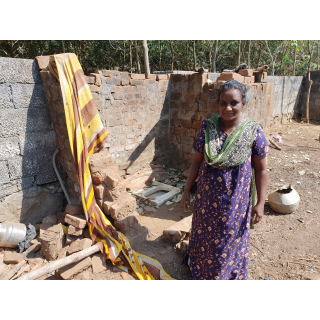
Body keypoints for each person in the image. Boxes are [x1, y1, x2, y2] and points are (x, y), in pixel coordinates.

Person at [181, 80, 270, 280]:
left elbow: (262, 169)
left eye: (234, 103)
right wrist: (187, 190)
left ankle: (227, 276)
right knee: (204, 237)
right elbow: (196, 162)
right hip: (206, 200)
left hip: (235, 204)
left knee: (229, 240)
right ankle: (201, 273)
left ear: (244, 104)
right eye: (223, 103)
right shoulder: (208, 128)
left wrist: (261, 203)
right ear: (218, 104)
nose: (228, 108)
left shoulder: (253, 132)